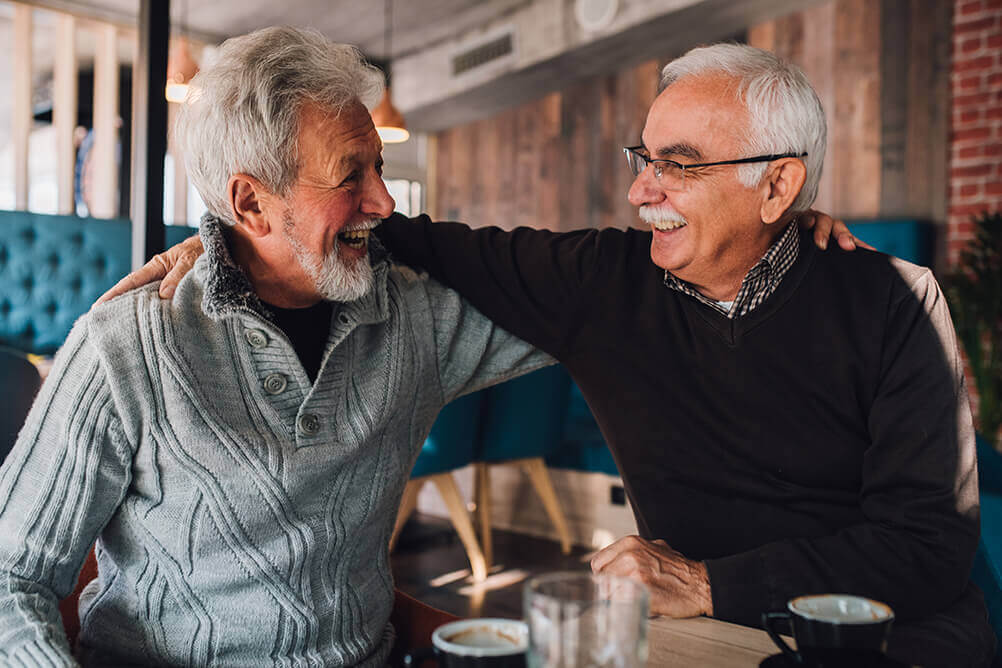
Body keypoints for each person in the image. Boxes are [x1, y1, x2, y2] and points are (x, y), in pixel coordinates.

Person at [130, 43, 995, 666]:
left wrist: (704, 582)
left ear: (778, 185)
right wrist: (230, 244)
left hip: (893, 637)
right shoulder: (605, 282)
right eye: (644, 157)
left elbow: (928, 548)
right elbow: (403, 233)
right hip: (700, 637)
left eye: (680, 165)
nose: (641, 191)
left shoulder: (897, 300)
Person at [0, 27, 552, 666]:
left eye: (378, 166)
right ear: (251, 203)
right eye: (350, 176)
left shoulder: (413, 319)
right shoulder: (126, 345)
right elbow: (11, 579)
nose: (385, 201)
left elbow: (584, 305)